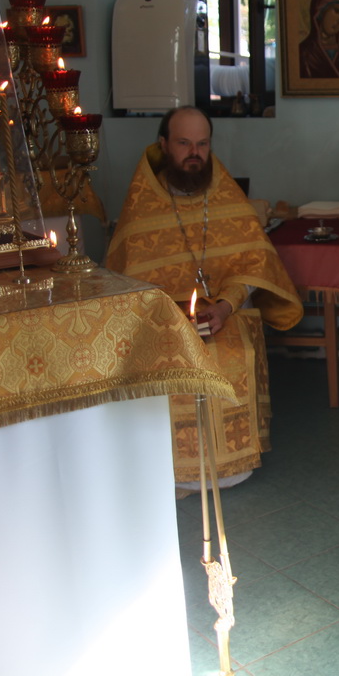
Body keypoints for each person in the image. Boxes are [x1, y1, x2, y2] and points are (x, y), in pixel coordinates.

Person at [106, 106, 304, 491]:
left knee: (230, 355)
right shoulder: (142, 203)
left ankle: (233, 464)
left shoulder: (226, 196)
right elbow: (129, 279)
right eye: (184, 143)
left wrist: (226, 306)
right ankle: (174, 467)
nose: (194, 153)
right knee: (169, 361)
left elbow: (255, 263)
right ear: (164, 145)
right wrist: (169, 317)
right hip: (163, 319)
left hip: (224, 311)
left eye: (202, 144)